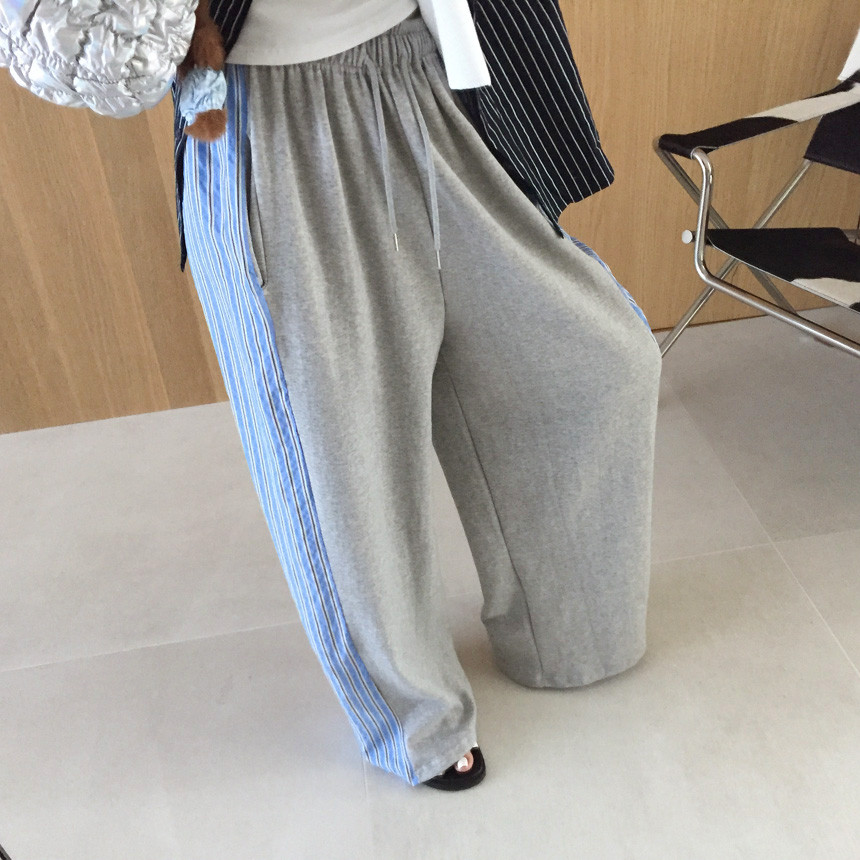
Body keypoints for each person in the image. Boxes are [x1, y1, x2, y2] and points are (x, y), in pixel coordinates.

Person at [178, 0, 663, 791]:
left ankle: (568, 629)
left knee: (594, 362)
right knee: (341, 452)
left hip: (420, 75)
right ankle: (415, 718)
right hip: (268, 113)